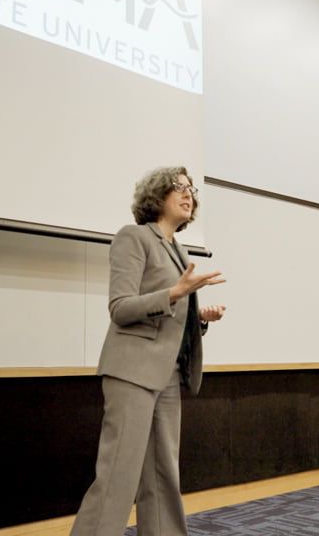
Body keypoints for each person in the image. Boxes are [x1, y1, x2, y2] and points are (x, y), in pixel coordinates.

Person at [70, 167, 226, 536]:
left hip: (168, 375)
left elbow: (168, 314)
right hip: (132, 372)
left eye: (191, 190)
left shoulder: (177, 249)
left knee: (162, 477)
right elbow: (121, 307)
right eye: (179, 188)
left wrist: (198, 317)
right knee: (118, 476)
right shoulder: (134, 238)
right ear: (157, 196)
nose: (189, 195)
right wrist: (174, 294)